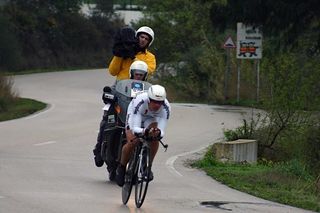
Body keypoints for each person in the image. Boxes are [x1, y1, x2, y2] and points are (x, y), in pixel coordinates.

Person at [93, 25, 157, 176]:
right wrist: (121, 53)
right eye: (141, 37)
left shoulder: (150, 57)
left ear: (149, 42)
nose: (143, 40)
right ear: (137, 37)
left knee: (145, 123)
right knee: (107, 117)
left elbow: (149, 71)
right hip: (120, 90)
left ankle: (142, 161)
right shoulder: (124, 50)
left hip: (139, 93)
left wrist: (133, 56)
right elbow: (112, 71)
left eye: (146, 39)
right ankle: (98, 148)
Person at [93, 61, 150, 181]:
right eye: (136, 74)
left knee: (149, 136)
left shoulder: (149, 89)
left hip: (137, 120)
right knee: (106, 124)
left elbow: (154, 100)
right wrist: (109, 94)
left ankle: (145, 166)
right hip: (121, 116)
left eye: (141, 75)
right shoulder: (121, 83)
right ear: (131, 73)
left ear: (145, 75)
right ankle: (98, 150)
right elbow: (111, 91)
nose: (138, 76)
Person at [115, 85, 171, 186]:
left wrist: (157, 133)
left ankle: (147, 167)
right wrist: (145, 131)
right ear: (149, 99)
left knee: (155, 138)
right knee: (133, 141)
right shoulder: (140, 101)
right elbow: (135, 129)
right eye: (154, 101)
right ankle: (122, 167)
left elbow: (161, 131)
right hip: (136, 114)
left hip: (151, 119)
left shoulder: (166, 107)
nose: (157, 105)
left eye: (160, 102)